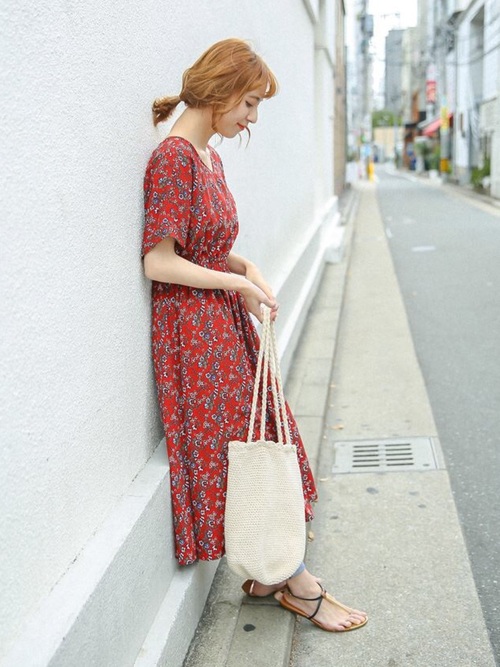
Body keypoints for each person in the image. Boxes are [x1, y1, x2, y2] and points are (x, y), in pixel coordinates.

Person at [142, 38, 367, 632]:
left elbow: (204, 243)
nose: (252, 118)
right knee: (241, 450)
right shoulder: (173, 158)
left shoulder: (206, 156)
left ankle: (276, 575)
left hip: (219, 318)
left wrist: (246, 269)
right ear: (218, 93)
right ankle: (299, 584)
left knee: (263, 437)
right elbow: (159, 261)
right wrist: (232, 284)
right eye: (248, 102)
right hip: (193, 331)